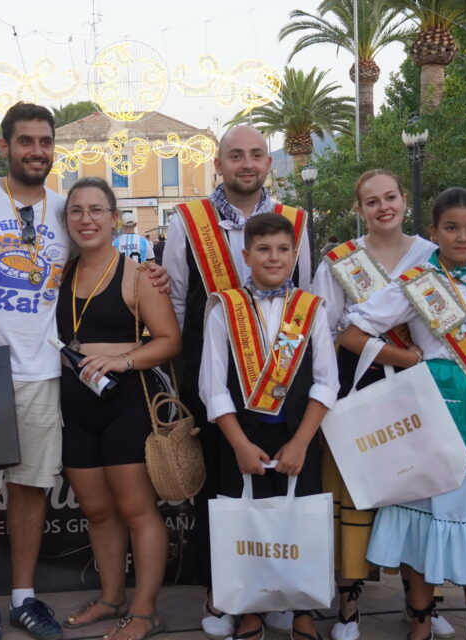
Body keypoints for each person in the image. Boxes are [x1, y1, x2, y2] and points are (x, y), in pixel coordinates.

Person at [0, 102, 171, 640]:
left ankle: (24, 598)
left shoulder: (65, 211)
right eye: (25, 141)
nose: (36, 151)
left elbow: (99, 263)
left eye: (44, 142)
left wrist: (150, 269)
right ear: (5, 145)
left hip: (41, 373)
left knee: (30, 487)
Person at [340, 187, 466, 640]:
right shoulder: (418, 281)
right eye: (450, 228)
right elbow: (353, 333)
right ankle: (421, 618)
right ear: (433, 232)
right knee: (427, 506)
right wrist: (416, 363)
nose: (461, 237)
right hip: (433, 403)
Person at [161, 124, 313, 637]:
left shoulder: (294, 221)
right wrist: (183, 381)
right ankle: (225, 590)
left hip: (285, 378)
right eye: (235, 155)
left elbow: (306, 294)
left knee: (279, 488)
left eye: (256, 155)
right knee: (221, 490)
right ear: (219, 164)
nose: (246, 163)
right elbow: (178, 302)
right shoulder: (188, 221)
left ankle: (278, 586)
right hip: (215, 380)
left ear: (268, 163)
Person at [310, 169, 451, 640]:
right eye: (372, 201)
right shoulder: (339, 261)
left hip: (423, 391)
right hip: (358, 390)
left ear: (405, 199)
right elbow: (323, 333)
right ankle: (349, 603)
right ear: (359, 210)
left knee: (419, 495)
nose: (383, 206)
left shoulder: (434, 255)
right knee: (355, 492)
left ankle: (423, 606)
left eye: (390, 196)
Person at [200, 214, 338, 640]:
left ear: (294, 254)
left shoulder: (311, 309)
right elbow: (212, 385)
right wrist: (239, 444)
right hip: (241, 438)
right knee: (246, 525)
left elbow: (326, 382)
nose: (273, 257)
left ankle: (302, 611)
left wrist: (301, 442)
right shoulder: (225, 308)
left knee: (300, 523)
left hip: (298, 435)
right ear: (247, 255)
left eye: (282, 249)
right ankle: (249, 610)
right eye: (263, 249)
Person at [55, 178, 181, 640]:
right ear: (66, 221)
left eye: (95, 210)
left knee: (136, 510)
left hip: (127, 402)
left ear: (114, 218)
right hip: (76, 405)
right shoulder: (60, 274)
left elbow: (170, 341)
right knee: (97, 510)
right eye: (76, 211)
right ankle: (111, 598)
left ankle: (144, 611)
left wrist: (122, 360)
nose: (86, 219)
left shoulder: (139, 274)